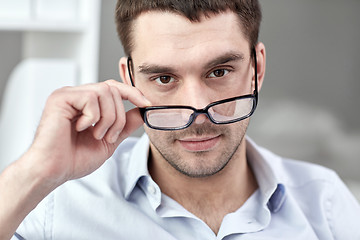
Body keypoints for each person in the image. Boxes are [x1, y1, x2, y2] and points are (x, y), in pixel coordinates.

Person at [1, 0, 359, 239]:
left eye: (219, 72)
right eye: (164, 78)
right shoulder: (54, 204)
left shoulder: (324, 204)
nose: (197, 110)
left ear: (257, 69)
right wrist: (33, 172)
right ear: (129, 80)